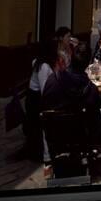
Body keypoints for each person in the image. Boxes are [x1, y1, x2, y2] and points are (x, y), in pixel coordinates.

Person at [42, 43, 101, 137]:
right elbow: (94, 119)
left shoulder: (52, 79)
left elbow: (45, 106)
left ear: (70, 57)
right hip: (79, 134)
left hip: (54, 134)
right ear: (88, 64)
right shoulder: (91, 89)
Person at [25, 40, 65, 169]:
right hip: (36, 102)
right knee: (51, 119)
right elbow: (45, 91)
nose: (59, 50)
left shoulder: (46, 63)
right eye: (57, 48)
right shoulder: (44, 67)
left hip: (38, 98)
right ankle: (47, 156)